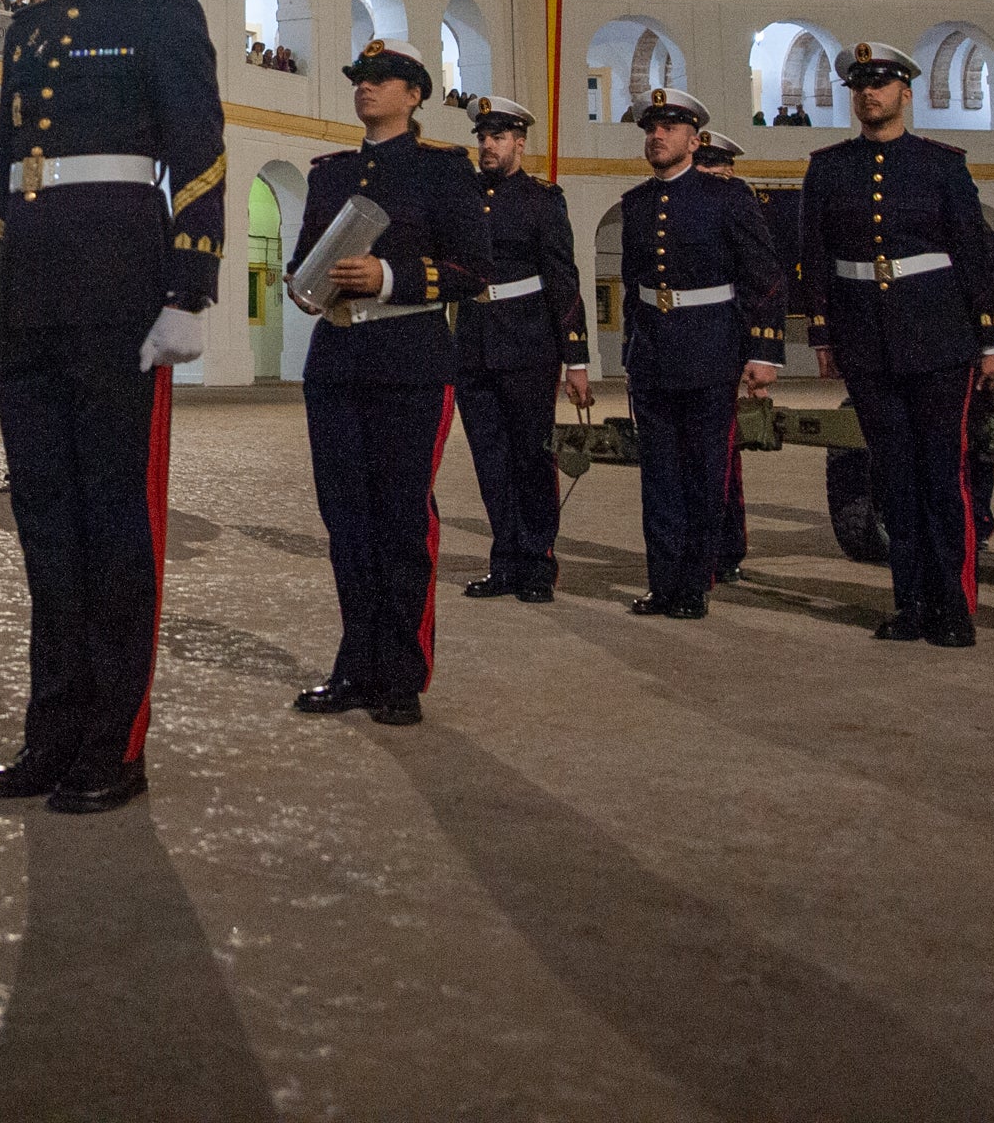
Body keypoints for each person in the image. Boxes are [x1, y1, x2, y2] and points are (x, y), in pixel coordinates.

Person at [0, 0, 225, 815]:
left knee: (116, 526)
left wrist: (187, 289)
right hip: (34, 293)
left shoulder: (162, 17)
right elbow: (6, 176)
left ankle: (113, 743)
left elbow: (199, 152)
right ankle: (52, 733)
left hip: (120, 289)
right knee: (46, 525)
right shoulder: (29, 30)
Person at [285, 38, 489, 727]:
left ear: (415, 94)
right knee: (346, 523)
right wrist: (303, 285)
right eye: (359, 79)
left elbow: (474, 271)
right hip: (337, 359)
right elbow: (300, 263)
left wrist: (390, 277)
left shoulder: (445, 172)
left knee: (401, 520)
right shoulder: (328, 173)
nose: (365, 88)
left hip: (410, 358)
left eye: (381, 79)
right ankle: (356, 664)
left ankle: (400, 673)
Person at [801, 41, 994, 646]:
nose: (871, 93)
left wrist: (990, 340)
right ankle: (911, 604)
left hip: (941, 339)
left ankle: (955, 606)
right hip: (867, 340)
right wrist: (823, 334)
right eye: (861, 84)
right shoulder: (829, 168)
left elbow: (973, 254)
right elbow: (816, 257)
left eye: (883, 84)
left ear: (905, 94)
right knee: (892, 477)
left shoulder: (941, 164)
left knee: (944, 476)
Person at [612, 89, 787, 618]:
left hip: (711, 349)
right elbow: (632, 282)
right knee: (658, 476)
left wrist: (764, 352)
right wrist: (630, 351)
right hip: (653, 356)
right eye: (651, 128)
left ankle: (694, 584)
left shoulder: (727, 198)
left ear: (693, 138)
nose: (657, 136)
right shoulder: (636, 203)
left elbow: (765, 277)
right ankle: (662, 583)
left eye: (668, 128)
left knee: (704, 472)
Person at [452, 96, 592, 602]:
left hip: (529, 344)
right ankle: (505, 559)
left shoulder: (542, 199)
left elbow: (563, 279)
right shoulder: (463, 195)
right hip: (472, 341)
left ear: (519, 142)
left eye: (497, 137)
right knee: (490, 459)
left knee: (532, 458)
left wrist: (575, 359)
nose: (487, 146)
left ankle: (538, 562)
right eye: (482, 137)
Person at [689, 129, 763, 585]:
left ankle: (727, 546)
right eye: (705, 167)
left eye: (717, 168)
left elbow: (756, 279)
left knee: (722, 455)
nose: (711, 175)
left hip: (723, 340)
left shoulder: (736, 203)